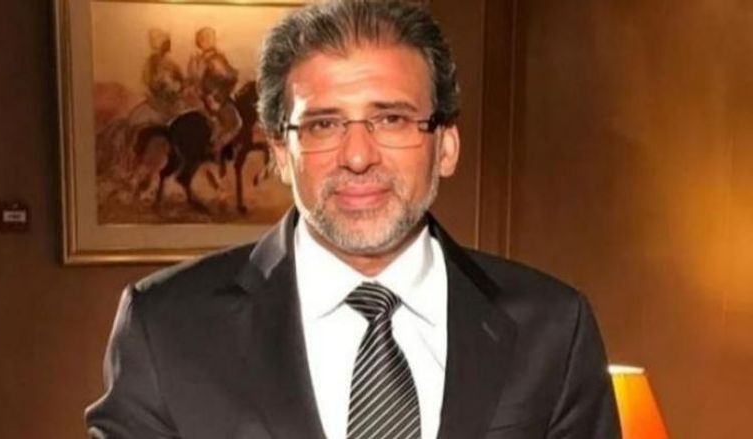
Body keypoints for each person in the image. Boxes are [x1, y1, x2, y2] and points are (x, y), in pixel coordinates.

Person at [85, 1, 620, 438]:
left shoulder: (552, 328)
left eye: (391, 119)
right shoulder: (166, 327)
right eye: (323, 124)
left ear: (446, 147)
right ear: (280, 153)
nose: (358, 156)